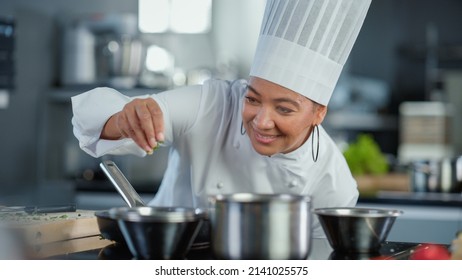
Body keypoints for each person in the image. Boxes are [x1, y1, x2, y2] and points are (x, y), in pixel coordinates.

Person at [71, 0, 372, 239]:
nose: (262, 122)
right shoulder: (213, 103)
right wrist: (126, 119)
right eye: (252, 99)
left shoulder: (335, 184)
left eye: (284, 109)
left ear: (319, 112)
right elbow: (99, 118)